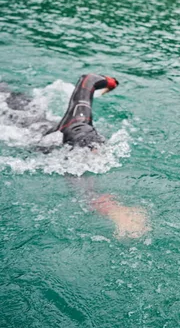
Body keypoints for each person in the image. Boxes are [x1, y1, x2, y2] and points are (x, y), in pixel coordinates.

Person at [1, 74, 150, 239]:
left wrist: (110, 83)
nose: (95, 155)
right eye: (92, 151)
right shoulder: (77, 122)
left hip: (31, 120)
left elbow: (90, 80)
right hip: (10, 116)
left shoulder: (82, 131)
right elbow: (88, 79)